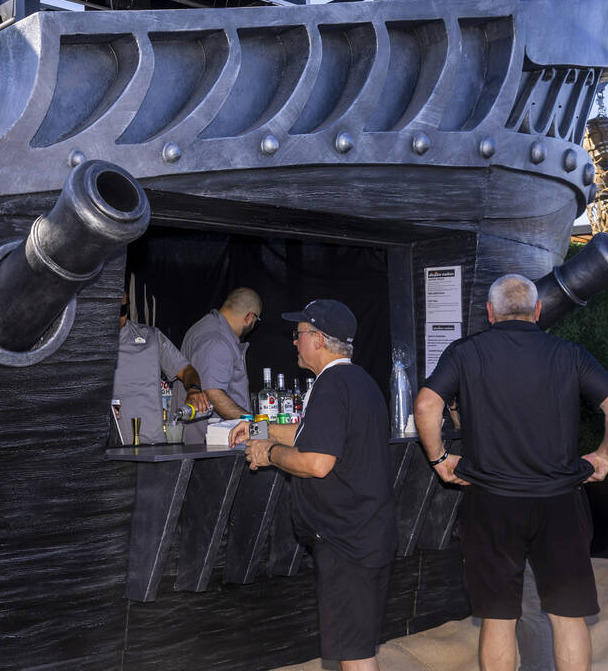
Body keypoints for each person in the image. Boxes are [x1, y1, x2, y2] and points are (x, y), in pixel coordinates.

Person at [415, 274, 608, 671]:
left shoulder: (465, 352)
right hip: (560, 502)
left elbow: (427, 406)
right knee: (568, 616)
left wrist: (439, 460)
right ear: (538, 311)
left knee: (498, 617)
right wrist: (604, 457)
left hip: (491, 503)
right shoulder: (569, 352)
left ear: (490, 313)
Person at [229, 299, 396, 671]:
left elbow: (317, 463)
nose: (294, 341)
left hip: (348, 543)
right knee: (355, 647)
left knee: (355, 656)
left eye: (299, 333)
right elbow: (314, 436)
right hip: (364, 535)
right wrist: (262, 428)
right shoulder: (358, 381)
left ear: (319, 339)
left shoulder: (332, 386)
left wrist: (269, 453)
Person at [113, 297, 210, 444]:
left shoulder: (150, 336)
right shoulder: (81, 344)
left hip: (153, 443)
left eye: (122, 310)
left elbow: (186, 370)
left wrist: (193, 390)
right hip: (107, 449)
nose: (117, 317)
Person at [172, 287, 261, 442]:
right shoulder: (216, 340)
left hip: (209, 443)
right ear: (249, 317)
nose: (254, 325)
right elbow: (213, 393)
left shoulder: (206, 328)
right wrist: (256, 430)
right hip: (211, 446)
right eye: (256, 320)